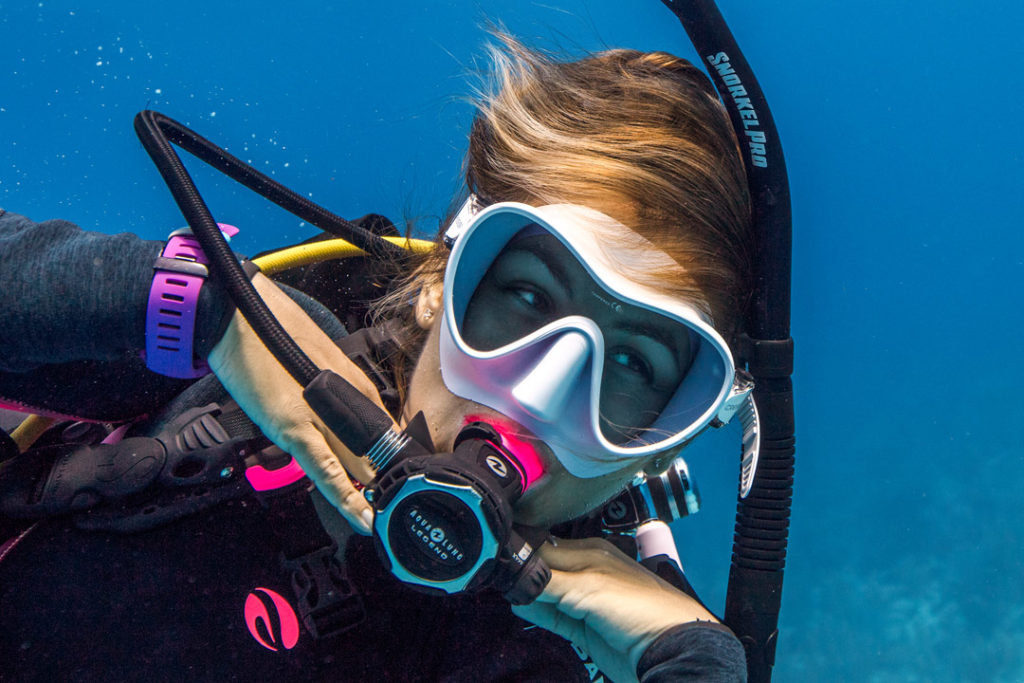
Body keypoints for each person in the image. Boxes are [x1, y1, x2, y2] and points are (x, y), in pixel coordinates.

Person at [0, 36, 751, 682]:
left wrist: (693, 665)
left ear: (664, 444)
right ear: (438, 285)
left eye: (633, 367)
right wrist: (188, 306)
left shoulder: (526, 655)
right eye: (526, 294)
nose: (540, 390)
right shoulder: (249, 352)